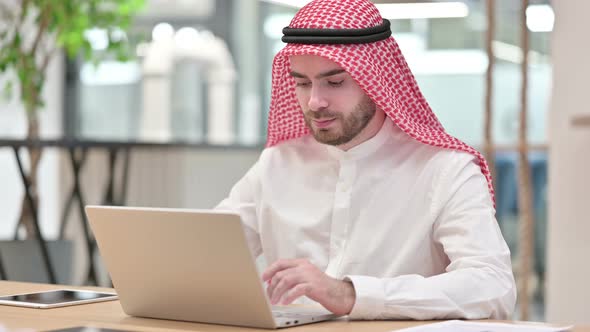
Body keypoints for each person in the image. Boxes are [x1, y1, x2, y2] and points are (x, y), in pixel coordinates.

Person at [215, 0, 516, 320]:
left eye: (334, 82)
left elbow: (493, 286)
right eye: (302, 83)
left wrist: (350, 294)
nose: (315, 101)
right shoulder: (277, 164)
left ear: (377, 80)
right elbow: (207, 250)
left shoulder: (445, 170)